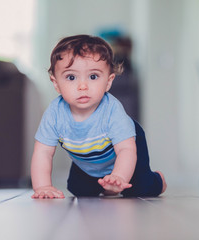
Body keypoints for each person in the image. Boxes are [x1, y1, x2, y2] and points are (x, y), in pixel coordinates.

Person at [31, 35, 166, 199]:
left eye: (93, 76)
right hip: (89, 160)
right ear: (56, 83)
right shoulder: (54, 114)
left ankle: (157, 180)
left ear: (108, 82)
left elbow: (126, 150)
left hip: (126, 146)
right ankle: (105, 184)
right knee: (79, 190)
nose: (83, 86)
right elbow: (43, 153)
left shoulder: (112, 110)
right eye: (71, 77)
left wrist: (119, 177)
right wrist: (43, 186)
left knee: (138, 188)